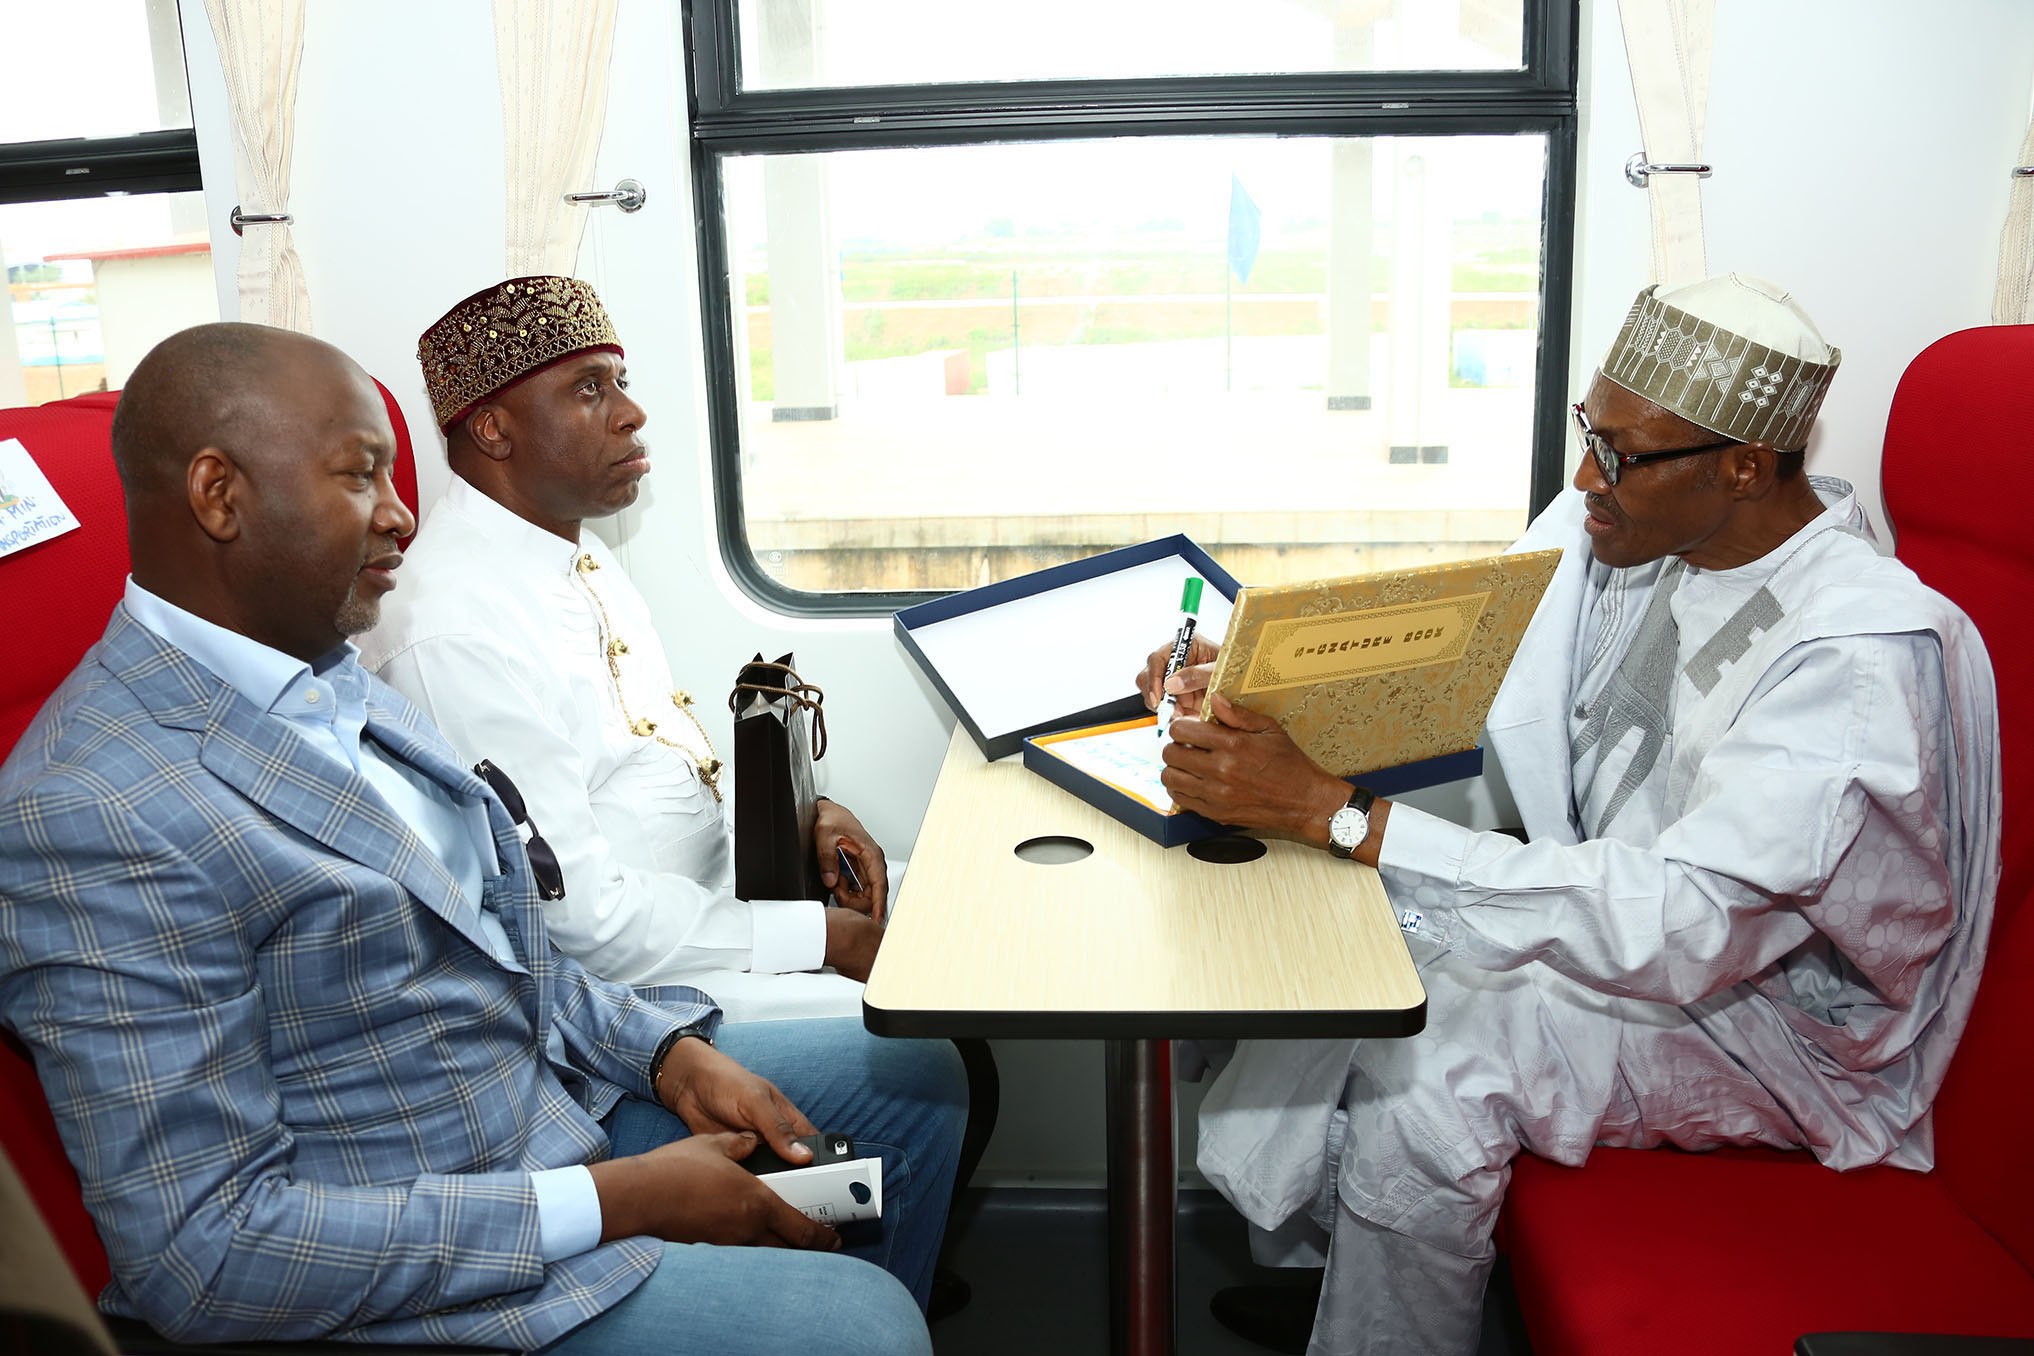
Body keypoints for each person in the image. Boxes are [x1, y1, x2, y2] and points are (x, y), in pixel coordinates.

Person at [0, 321, 965, 1353]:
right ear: (219, 495)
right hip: (407, 1261)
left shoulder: (329, 677)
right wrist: (614, 1200)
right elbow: (211, 1256)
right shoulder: (90, 813)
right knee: (861, 1327)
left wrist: (669, 1054)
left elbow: (508, 943)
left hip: (534, 1116)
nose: (402, 513)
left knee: (912, 1082)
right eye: (360, 476)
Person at [1138, 275, 2002, 1356]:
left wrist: (1343, 818)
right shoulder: (1645, 514)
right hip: (1623, 903)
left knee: (1432, 1066)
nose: (1588, 476)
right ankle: (1357, 1275)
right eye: (1590, 432)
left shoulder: (1857, 658)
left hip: (1773, 1026)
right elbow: (1450, 643)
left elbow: (1686, 928)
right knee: (1317, 939)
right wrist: (1256, 673)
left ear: (1742, 467)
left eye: (1623, 453)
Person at [361, 275, 880, 1022]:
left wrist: (806, 821)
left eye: (620, 383)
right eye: (589, 390)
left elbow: (661, 761)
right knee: (919, 1047)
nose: (631, 413)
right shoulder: (452, 629)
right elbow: (579, 923)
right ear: (494, 429)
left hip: (705, 905)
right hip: (612, 991)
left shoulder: (577, 554)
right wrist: (819, 936)